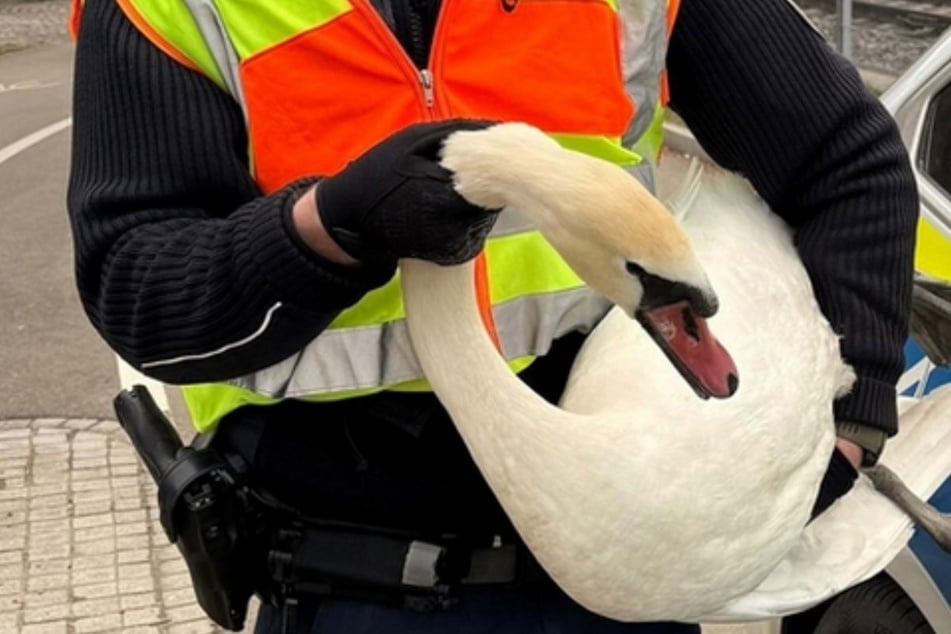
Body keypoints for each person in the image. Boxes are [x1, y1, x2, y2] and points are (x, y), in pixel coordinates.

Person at [66, 0, 918, 632]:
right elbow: (138, 293)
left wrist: (847, 419)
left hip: (610, 590)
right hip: (353, 592)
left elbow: (845, 161)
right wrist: (325, 229)